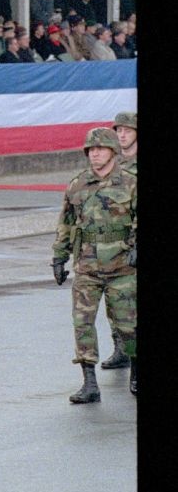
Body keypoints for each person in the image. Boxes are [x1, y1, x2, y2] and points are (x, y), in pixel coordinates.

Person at [52, 129, 137, 401]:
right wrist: (59, 256)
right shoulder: (77, 185)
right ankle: (89, 383)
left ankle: (136, 373)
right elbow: (65, 223)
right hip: (87, 267)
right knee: (82, 323)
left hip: (122, 267)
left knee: (129, 325)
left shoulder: (130, 183)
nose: (95, 153)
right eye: (90, 149)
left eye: (100, 148)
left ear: (112, 151)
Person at [100, 112, 138, 372]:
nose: (122, 134)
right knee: (115, 301)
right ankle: (121, 348)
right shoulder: (113, 165)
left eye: (127, 130)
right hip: (116, 244)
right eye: (119, 130)